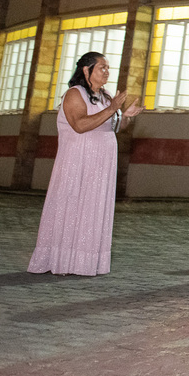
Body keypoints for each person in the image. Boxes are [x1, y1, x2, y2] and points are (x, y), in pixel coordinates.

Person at [28, 52, 142, 276]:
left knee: (93, 208)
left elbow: (113, 127)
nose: (107, 72)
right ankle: (62, 260)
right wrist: (112, 109)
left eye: (108, 68)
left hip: (101, 165)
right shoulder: (74, 94)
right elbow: (80, 125)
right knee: (73, 206)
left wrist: (126, 116)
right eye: (102, 67)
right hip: (78, 162)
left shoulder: (105, 96)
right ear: (86, 70)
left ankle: (83, 262)